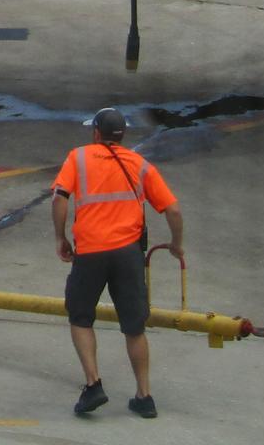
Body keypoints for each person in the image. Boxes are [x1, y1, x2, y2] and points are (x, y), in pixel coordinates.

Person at [50, 107, 183, 420]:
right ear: (122, 134)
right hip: (128, 254)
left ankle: (93, 384)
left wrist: (60, 238)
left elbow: (59, 197)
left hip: (91, 251)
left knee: (81, 317)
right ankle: (144, 395)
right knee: (134, 327)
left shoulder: (78, 158)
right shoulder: (139, 164)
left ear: (96, 133)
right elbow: (174, 211)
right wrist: (177, 245)